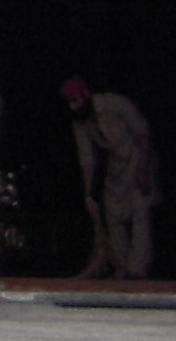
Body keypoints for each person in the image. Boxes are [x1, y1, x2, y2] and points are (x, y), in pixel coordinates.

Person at [62, 74, 155, 280]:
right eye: (69, 103)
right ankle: (121, 267)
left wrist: (144, 171)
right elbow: (87, 160)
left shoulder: (113, 104)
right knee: (113, 216)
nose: (73, 107)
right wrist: (88, 195)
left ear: (85, 95)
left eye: (76, 101)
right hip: (116, 170)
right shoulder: (81, 123)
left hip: (138, 160)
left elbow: (143, 133)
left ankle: (137, 270)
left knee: (140, 213)